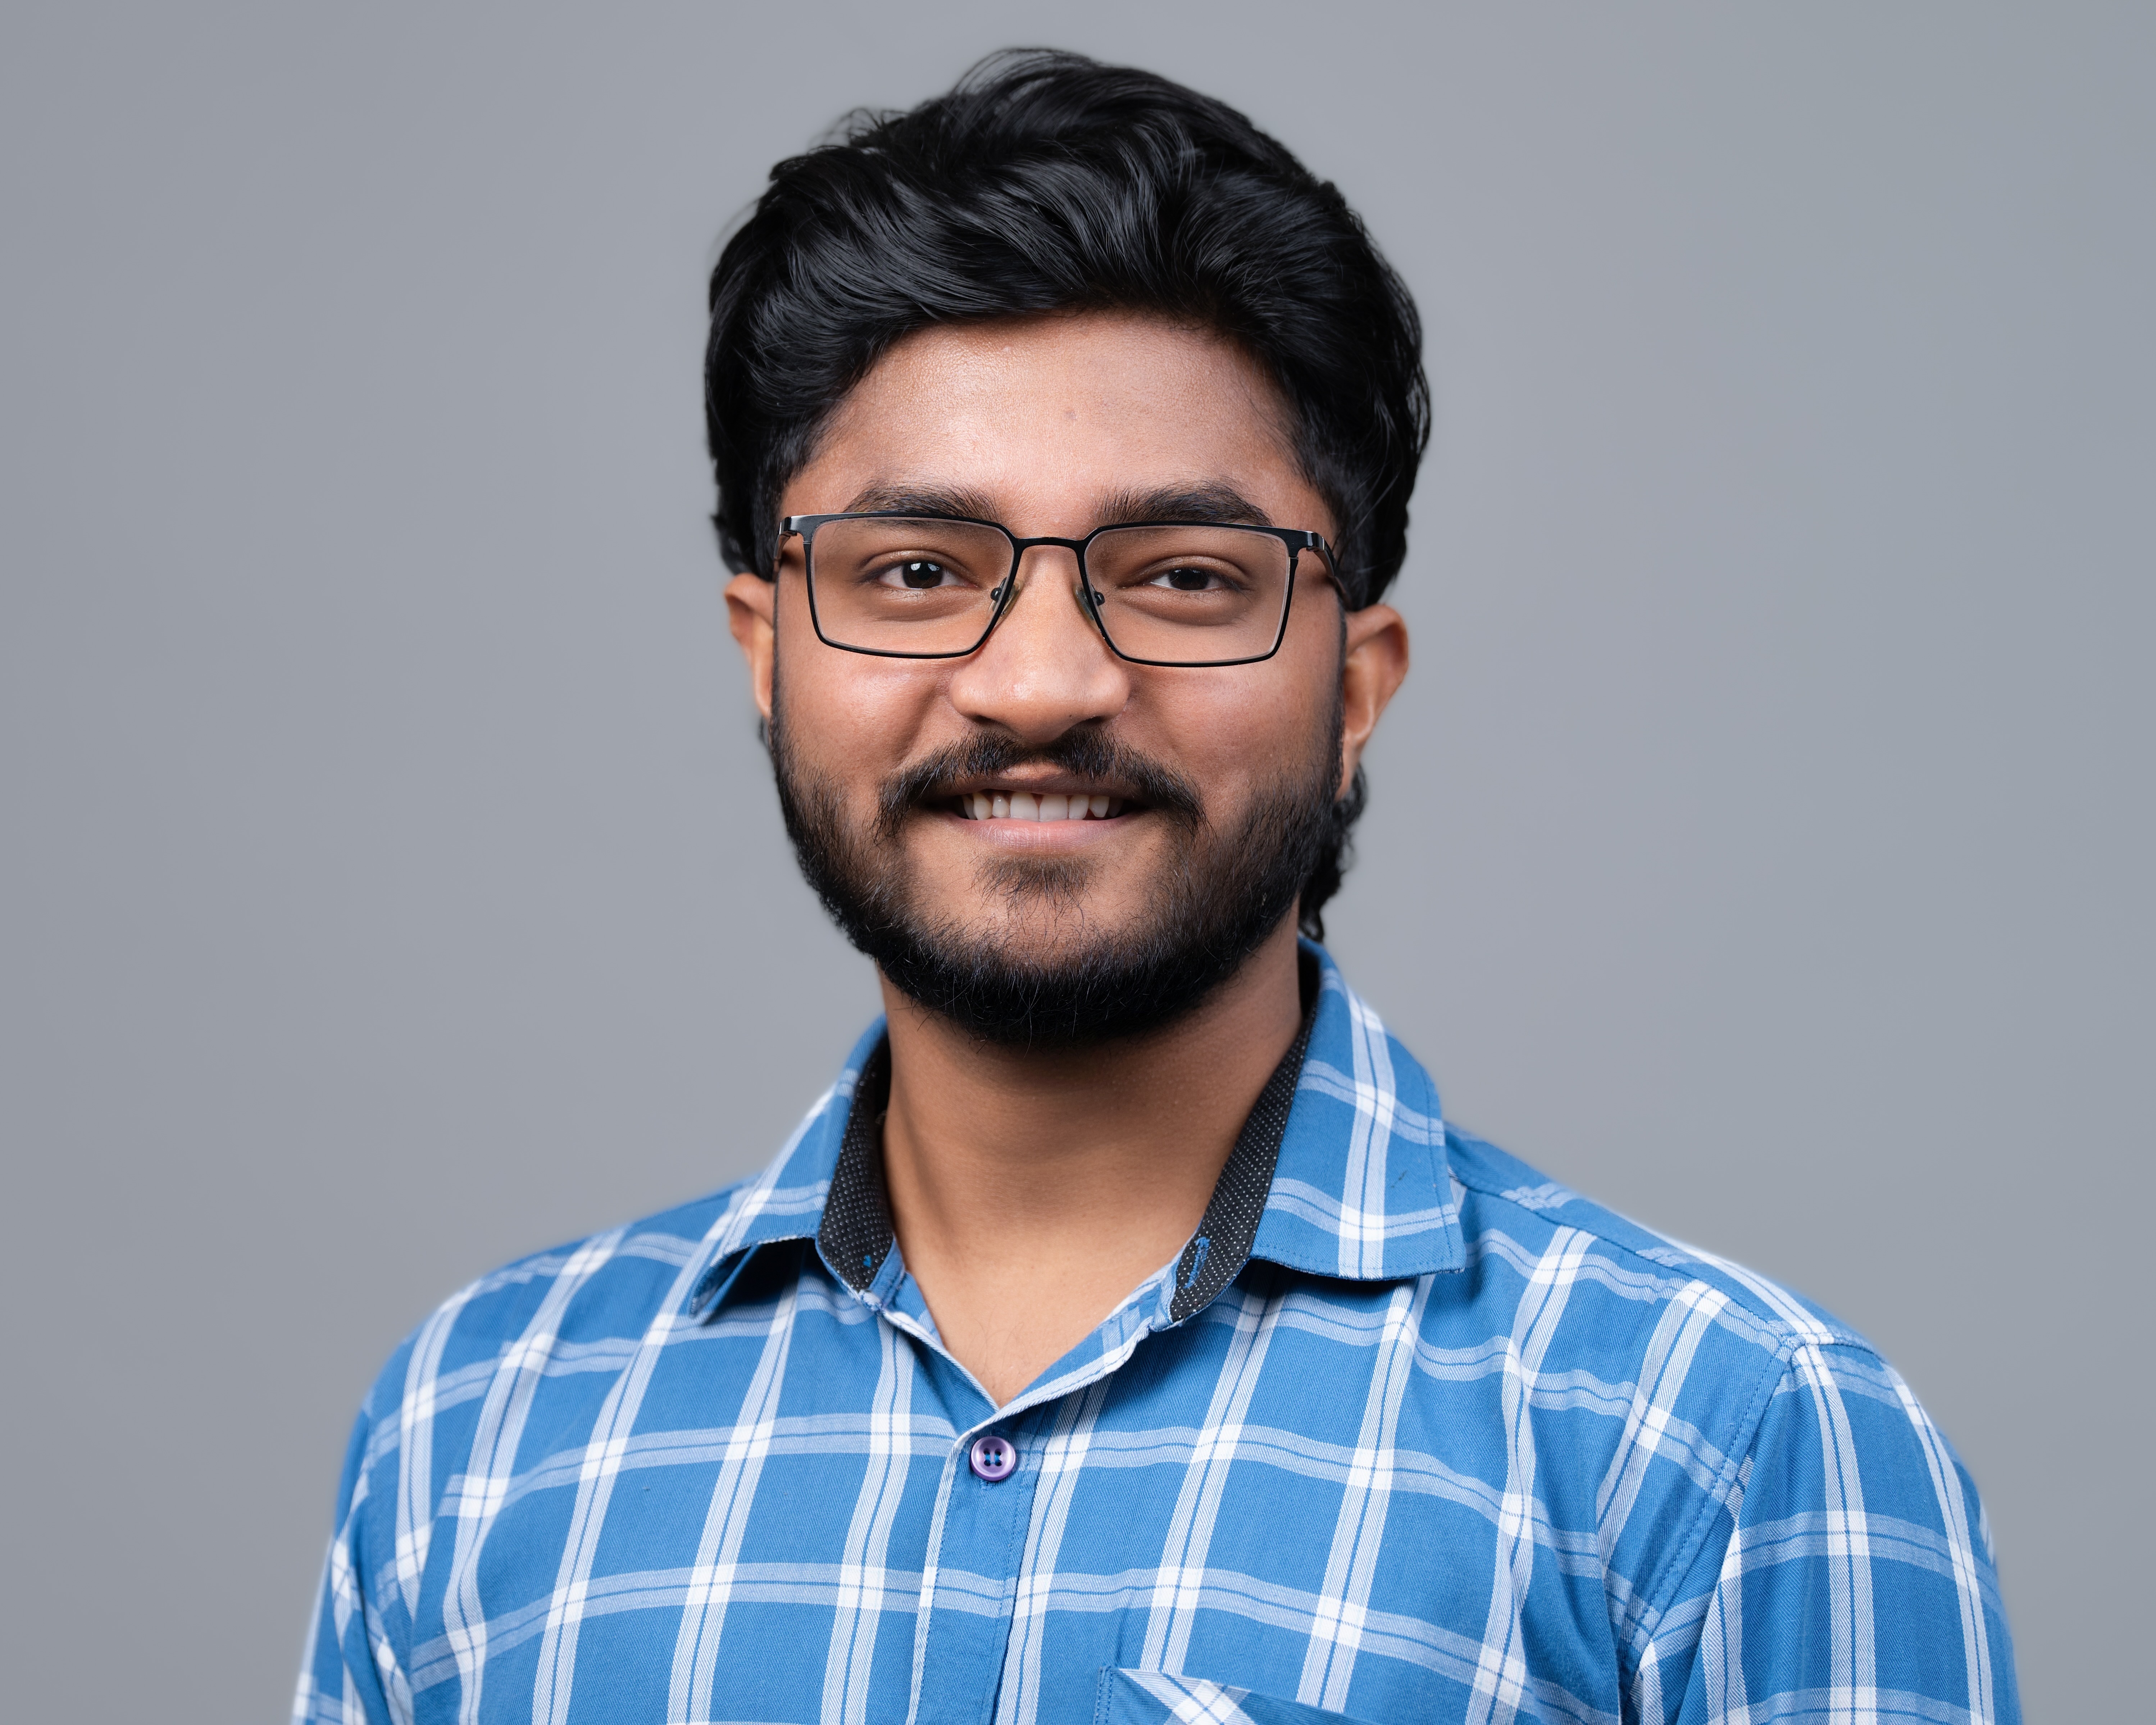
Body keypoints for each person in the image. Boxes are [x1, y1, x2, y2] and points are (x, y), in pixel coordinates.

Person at [294, 50, 2018, 1725]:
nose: (1039, 683)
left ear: (1353, 683)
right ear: (769, 651)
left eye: (1184, 575)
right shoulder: (480, 1426)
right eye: (913, 569)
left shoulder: (1721, 1443)